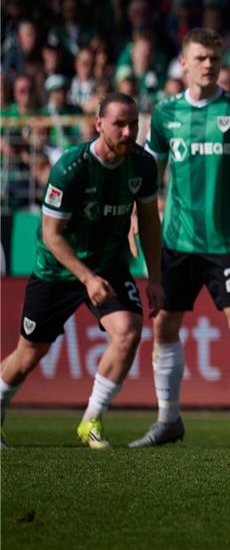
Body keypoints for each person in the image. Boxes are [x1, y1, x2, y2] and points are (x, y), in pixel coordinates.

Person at [132, 28, 230, 448]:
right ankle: (168, 419)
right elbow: (149, 176)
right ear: (183, 62)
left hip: (228, 241)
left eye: (214, 58)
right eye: (200, 58)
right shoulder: (163, 114)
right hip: (176, 241)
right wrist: (137, 219)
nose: (208, 65)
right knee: (164, 326)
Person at [0, 93, 163, 449]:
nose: (128, 132)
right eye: (119, 124)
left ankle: (90, 420)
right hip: (58, 269)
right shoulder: (70, 168)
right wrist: (86, 278)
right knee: (29, 355)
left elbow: (150, 223)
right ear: (99, 125)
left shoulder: (142, 165)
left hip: (108, 265)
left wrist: (155, 278)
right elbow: (51, 234)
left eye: (133, 124)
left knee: (128, 331)